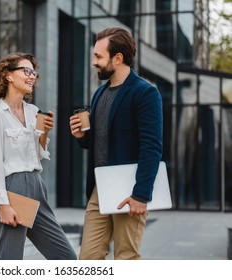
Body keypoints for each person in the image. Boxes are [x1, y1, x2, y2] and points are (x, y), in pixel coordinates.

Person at [69, 27, 163, 260]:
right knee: (88, 258)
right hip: (99, 189)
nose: (94, 62)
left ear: (118, 58)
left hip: (129, 189)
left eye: (98, 56)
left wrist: (141, 194)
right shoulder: (99, 93)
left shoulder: (145, 93)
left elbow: (152, 146)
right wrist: (83, 137)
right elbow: (102, 141)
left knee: (125, 258)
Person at [0, 52, 77, 260]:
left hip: (37, 185)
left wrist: (44, 132)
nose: (32, 76)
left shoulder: (33, 111)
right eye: (26, 71)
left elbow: (39, 153)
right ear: (8, 75)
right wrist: (4, 204)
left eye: (33, 73)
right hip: (14, 188)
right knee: (10, 260)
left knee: (67, 258)